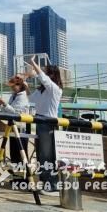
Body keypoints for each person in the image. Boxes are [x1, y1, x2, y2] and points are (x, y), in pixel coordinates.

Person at [25, 55, 63, 196]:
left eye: (47, 72)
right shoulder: (42, 90)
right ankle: (45, 183)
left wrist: (33, 62)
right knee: (41, 154)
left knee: (48, 154)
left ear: (52, 75)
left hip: (48, 122)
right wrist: (25, 86)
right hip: (40, 120)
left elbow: (43, 78)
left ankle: (52, 185)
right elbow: (31, 98)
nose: (44, 74)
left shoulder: (55, 89)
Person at [0, 74, 30, 166]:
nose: (12, 88)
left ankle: (22, 171)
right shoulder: (14, 95)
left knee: (20, 151)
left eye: (13, 86)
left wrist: (5, 104)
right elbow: (8, 110)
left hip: (21, 127)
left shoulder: (22, 97)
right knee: (14, 151)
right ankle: (15, 170)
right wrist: (1, 104)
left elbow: (16, 112)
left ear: (20, 85)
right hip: (13, 126)